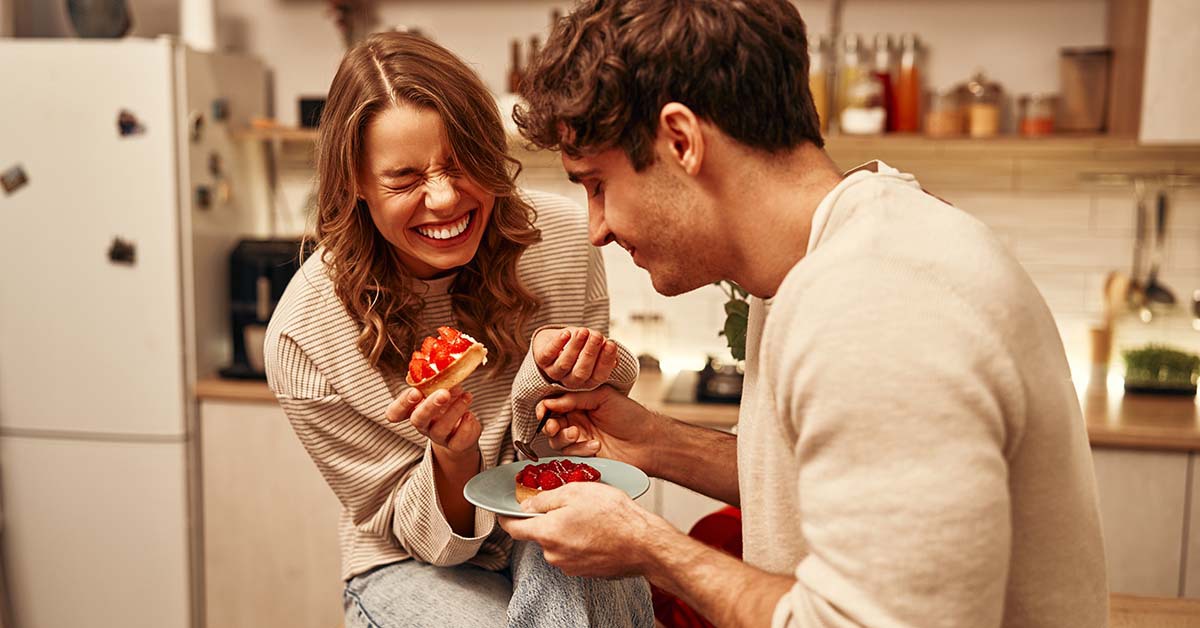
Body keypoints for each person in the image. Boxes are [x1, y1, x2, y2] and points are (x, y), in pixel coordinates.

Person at [499, 1, 1109, 627]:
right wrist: (655, 441)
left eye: (597, 184)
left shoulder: (872, 300)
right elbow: (835, 484)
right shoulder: (833, 249)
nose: (597, 228)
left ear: (681, 141)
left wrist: (649, 548)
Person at [263, 31, 653, 628]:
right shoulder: (304, 337)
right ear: (355, 184)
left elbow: (587, 443)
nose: (444, 199)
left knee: (594, 558)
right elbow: (412, 534)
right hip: (408, 561)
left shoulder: (567, 241)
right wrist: (454, 456)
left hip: (541, 504)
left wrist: (592, 371)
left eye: (461, 162)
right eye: (404, 179)